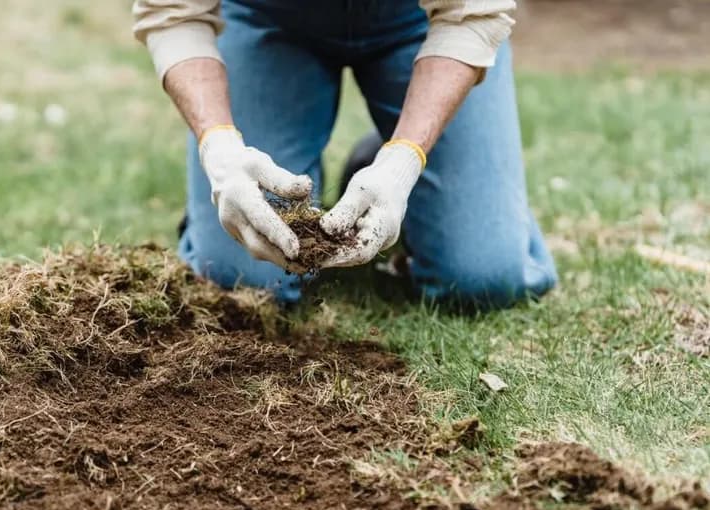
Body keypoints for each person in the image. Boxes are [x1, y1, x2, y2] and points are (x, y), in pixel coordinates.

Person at [133, 0, 558, 309]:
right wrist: (220, 149)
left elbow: (471, 14)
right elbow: (174, 12)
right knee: (241, 281)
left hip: (421, 20)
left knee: (481, 280)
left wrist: (403, 160)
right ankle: (223, 197)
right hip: (268, 18)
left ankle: (385, 161)